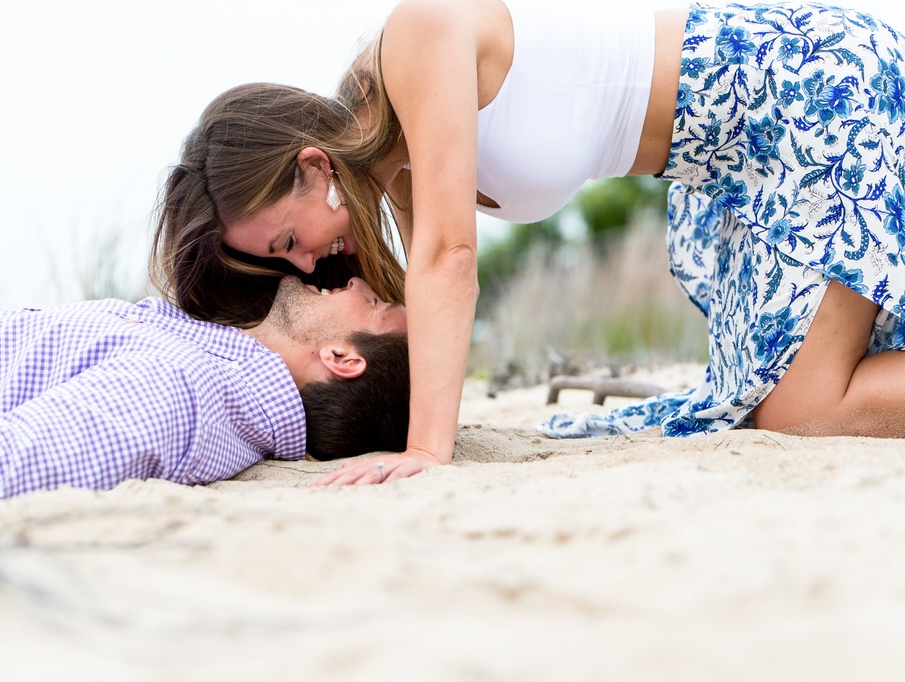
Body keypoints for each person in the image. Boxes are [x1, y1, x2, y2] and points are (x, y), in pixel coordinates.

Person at [153, 0, 905, 485]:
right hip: (738, 164)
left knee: (802, 409)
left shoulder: (416, 40)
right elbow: (428, 304)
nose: (306, 264)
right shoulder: (402, 163)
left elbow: (449, 261)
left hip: (802, 88)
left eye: (288, 240)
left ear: (312, 167)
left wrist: (425, 454)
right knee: (758, 400)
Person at [0, 276, 408, 508]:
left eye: (375, 303)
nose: (359, 282)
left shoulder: (174, 390)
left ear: (342, 359)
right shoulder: (195, 359)